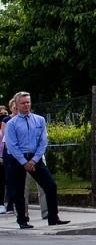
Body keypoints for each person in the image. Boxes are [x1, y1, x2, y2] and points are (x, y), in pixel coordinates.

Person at [4, 92, 67, 228]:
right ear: (17, 105)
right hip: (18, 159)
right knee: (19, 190)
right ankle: (22, 220)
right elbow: (12, 145)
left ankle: (53, 216)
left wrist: (34, 160)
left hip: (35, 157)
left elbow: (43, 141)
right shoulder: (12, 124)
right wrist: (24, 162)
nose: (26, 105)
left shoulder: (39, 120)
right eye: (23, 103)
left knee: (50, 185)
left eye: (28, 102)